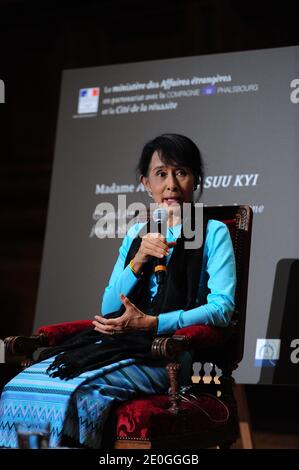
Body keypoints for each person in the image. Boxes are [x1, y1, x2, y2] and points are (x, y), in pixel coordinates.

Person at [0, 134, 236, 449]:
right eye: (161, 174)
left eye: (181, 172)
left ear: (196, 179)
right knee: (21, 386)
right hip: (115, 345)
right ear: (146, 183)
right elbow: (110, 304)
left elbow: (221, 308)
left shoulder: (213, 231)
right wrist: (139, 259)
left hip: (164, 355)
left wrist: (154, 324)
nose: (171, 185)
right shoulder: (137, 235)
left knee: (74, 393)